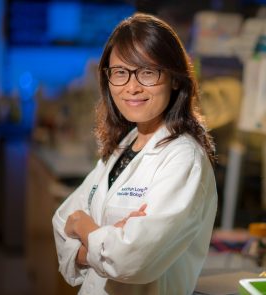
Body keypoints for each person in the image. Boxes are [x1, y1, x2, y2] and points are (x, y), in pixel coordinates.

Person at [52, 12, 218, 295]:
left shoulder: (183, 158)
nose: (132, 86)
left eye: (147, 72)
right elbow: (61, 221)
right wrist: (108, 238)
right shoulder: (125, 144)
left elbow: (133, 260)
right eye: (120, 72)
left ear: (175, 79)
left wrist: (86, 229)